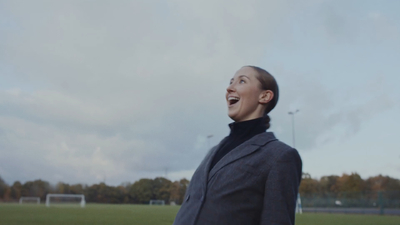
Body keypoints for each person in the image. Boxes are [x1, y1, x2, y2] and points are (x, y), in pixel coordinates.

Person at [172, 66, 302, 225]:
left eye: (241, 81)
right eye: (230, 82)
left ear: (265, 96)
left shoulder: (280, 156)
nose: (229, 88)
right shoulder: (213, 151)